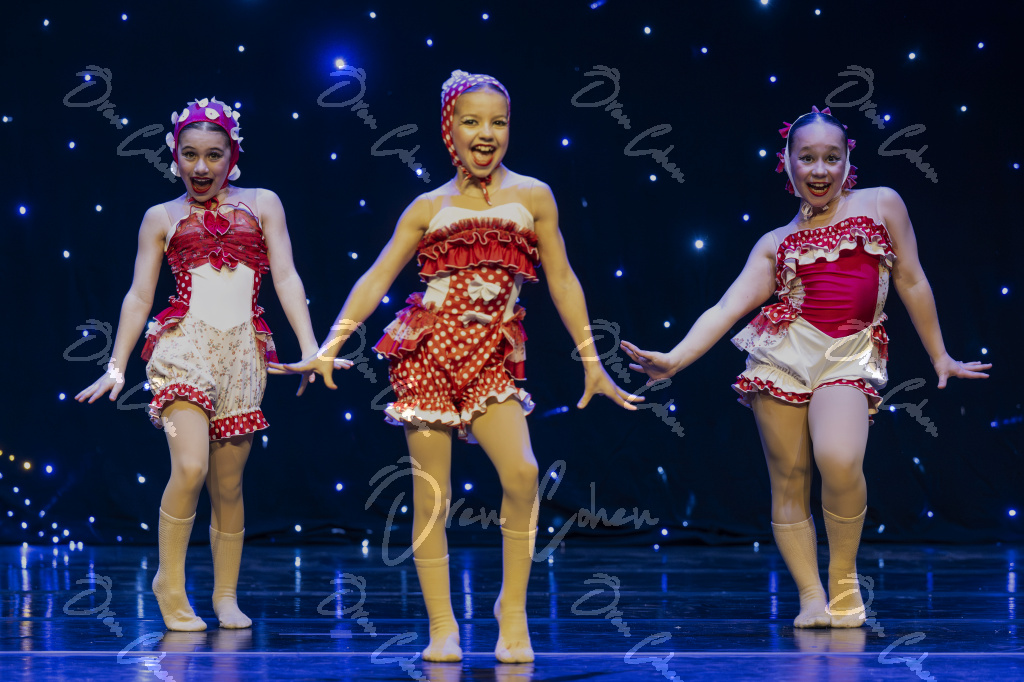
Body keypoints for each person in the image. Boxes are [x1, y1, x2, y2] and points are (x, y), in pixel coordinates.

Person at [269, 70, 640, 662]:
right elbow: (377, 277)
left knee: (523, 473)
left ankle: (511, 611)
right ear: (449, 129)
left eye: (498, 122)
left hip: (492, 359)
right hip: (429, 356)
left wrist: (592, 360)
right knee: (432, 498)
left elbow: (563, 280)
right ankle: (442, 626)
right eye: (472, 121)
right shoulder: (429, 206)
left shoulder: (534, 197)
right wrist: (331, 345)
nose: (486, 133)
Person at [621, 106, 991, 628]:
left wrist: (940, 355)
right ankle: (811, 596)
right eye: (808, 158)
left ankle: (843, 579)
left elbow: (911, 279)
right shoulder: (775, 243)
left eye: (831, 158)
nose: (820, 170)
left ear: (847, 161)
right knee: (789, 480)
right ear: (787, 163)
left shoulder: (881, 204)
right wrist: (675, 359)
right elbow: (726, 308)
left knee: (839, 458)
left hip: (847, 353)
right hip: (782, 357)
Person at [75, 97, 342, 631]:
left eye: (213, 155)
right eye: (190, 155)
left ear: (232, 155)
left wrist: (311, 347)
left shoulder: (263, 204)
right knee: (191, 466)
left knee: (228, 486)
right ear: (175, 156)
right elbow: (139, 295)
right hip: (182, 351)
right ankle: (169, 583)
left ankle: (225, 595)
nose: (201, 167)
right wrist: (117, 365)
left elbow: (286, 277)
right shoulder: (161, 217)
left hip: (243, 357)